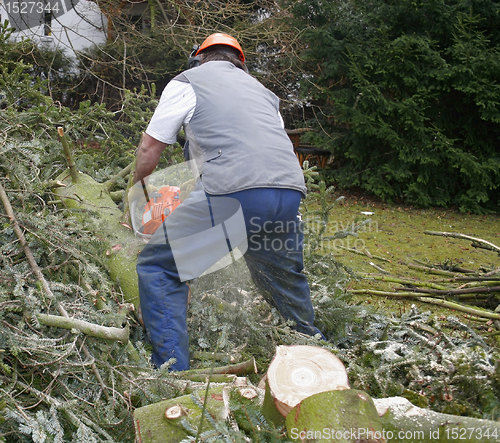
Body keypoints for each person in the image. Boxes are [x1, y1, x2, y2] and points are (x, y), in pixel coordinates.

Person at [133, 33, 324, 371]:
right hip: (288, 191)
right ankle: (319, 358)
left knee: (159, 266)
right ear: (240, 63)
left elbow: (150, 149)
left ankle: (170, 374)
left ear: (198, 58)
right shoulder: (264, 94)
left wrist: (137, 189)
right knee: (280, 276)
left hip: (235, 193)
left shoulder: (187, 81)